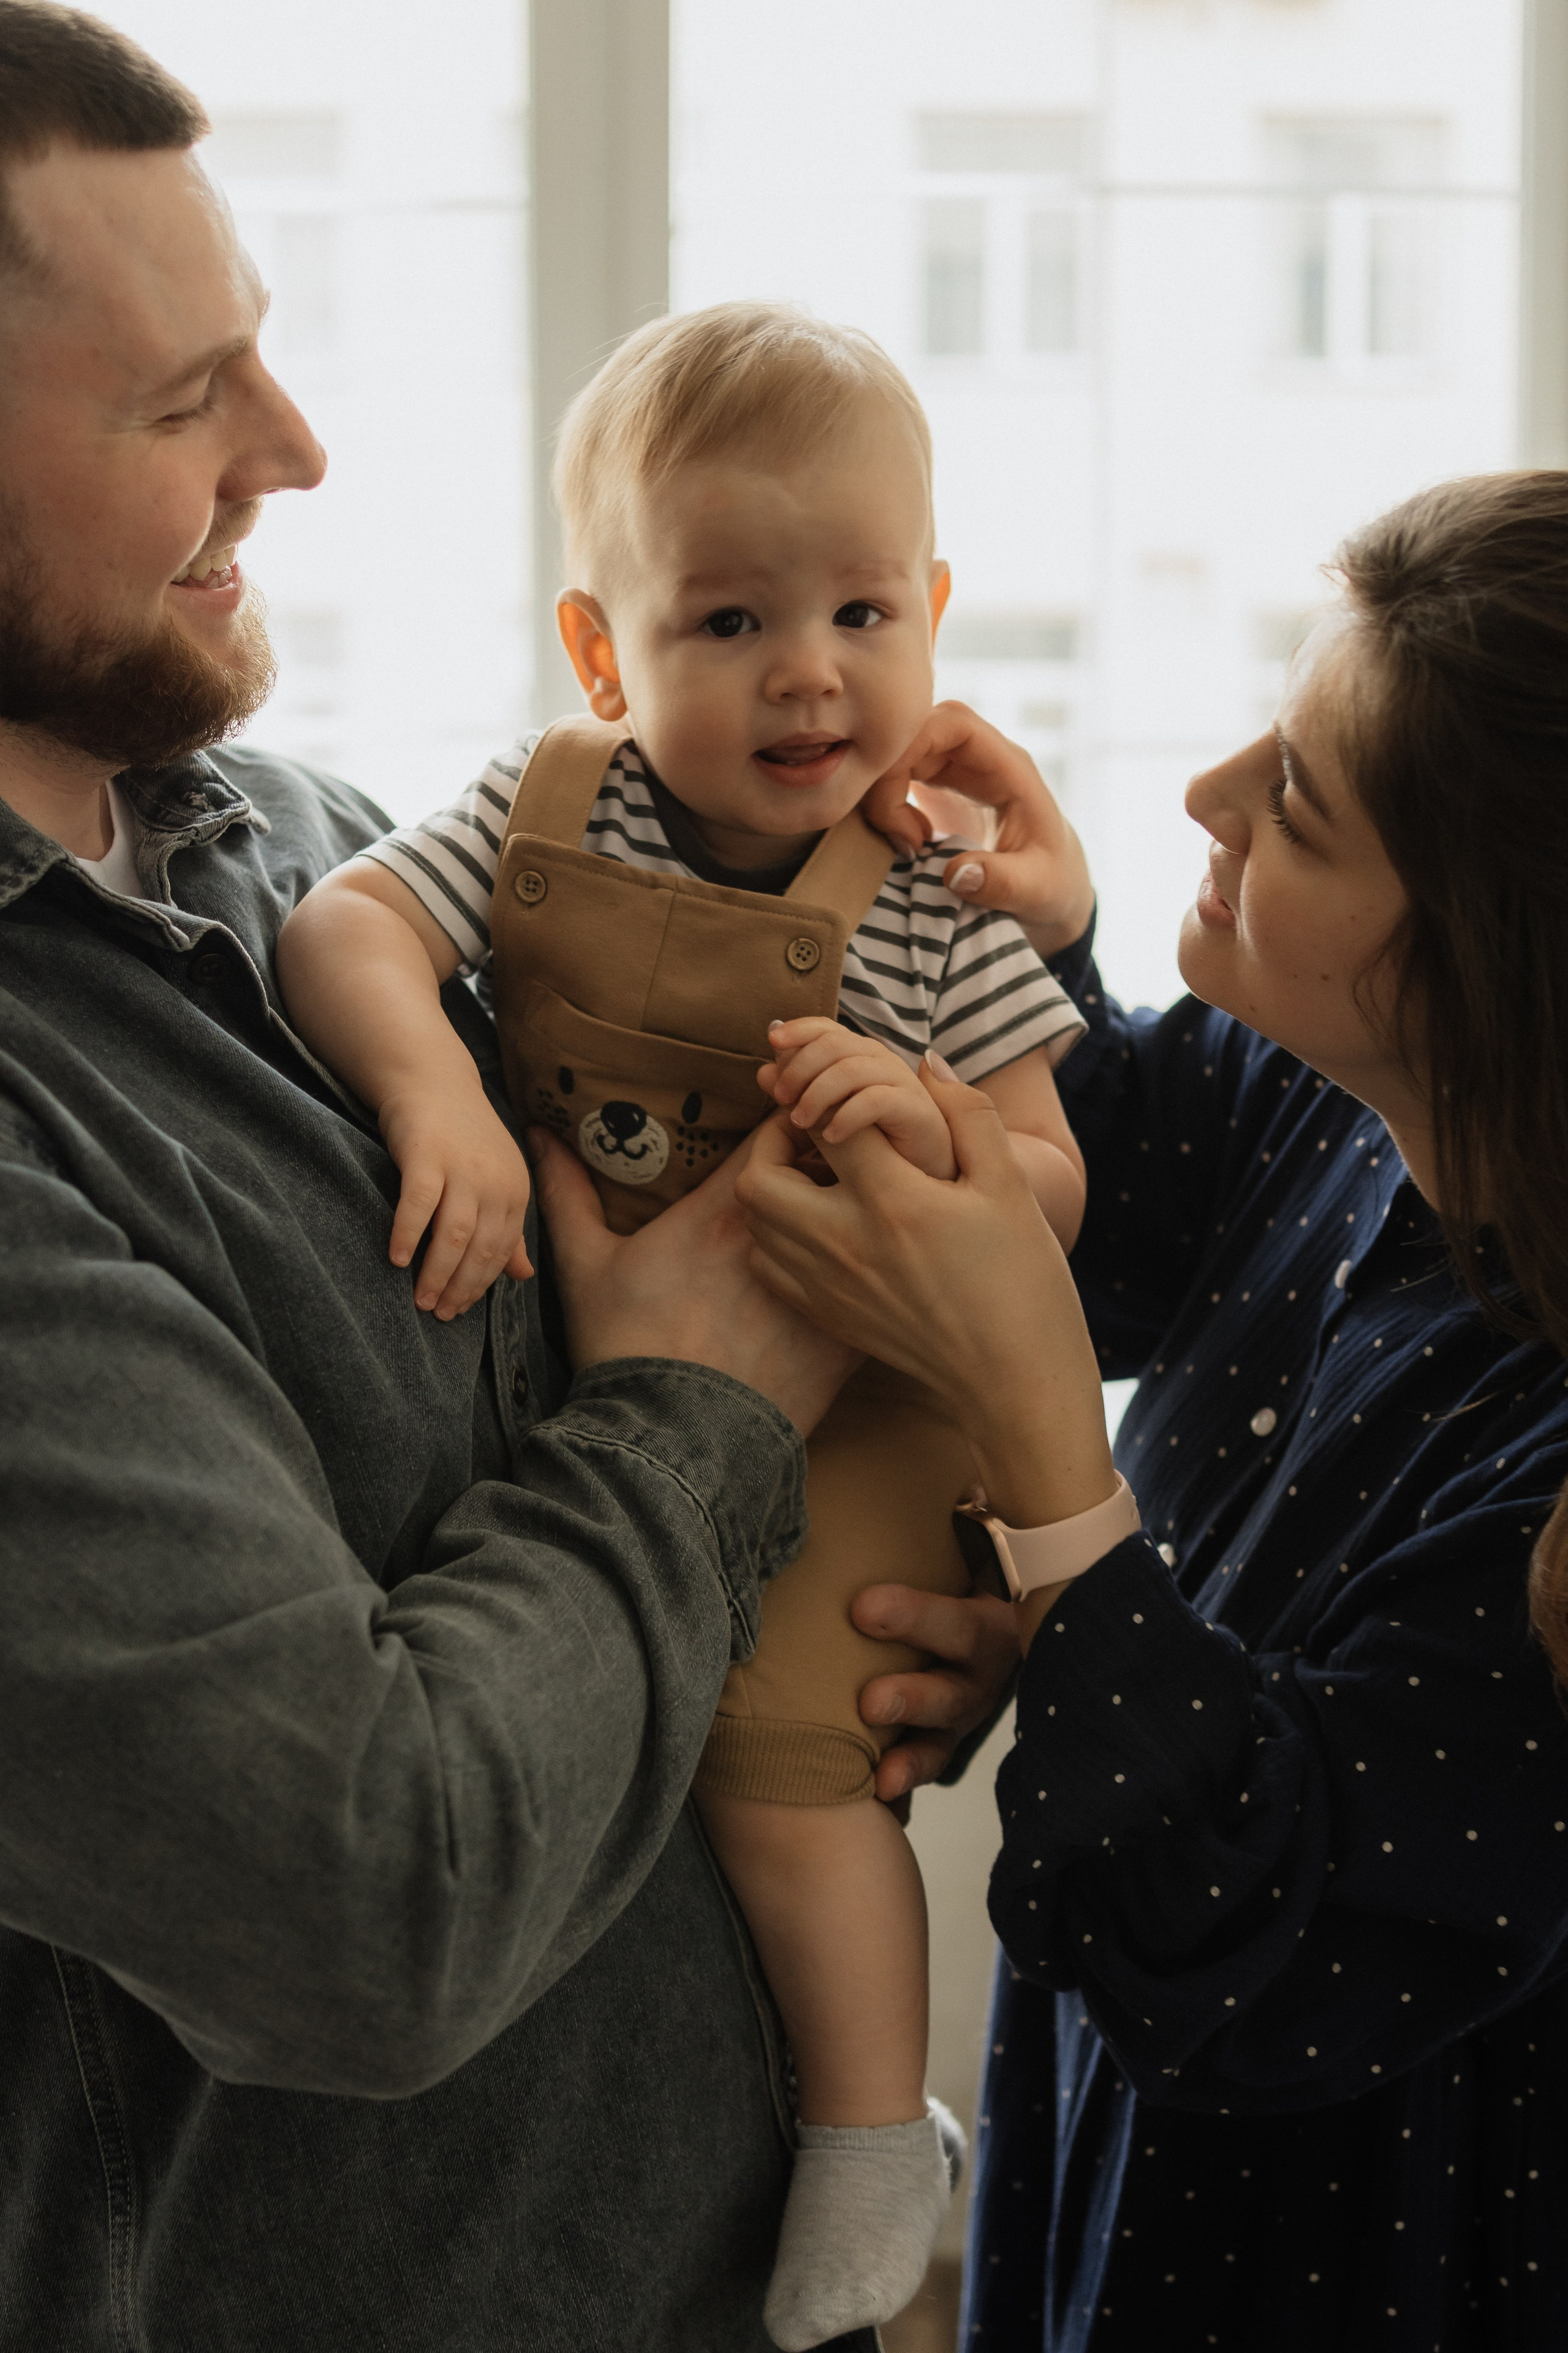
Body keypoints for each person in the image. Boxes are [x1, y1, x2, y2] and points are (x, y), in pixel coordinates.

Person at [0, 11, 1019, 2347]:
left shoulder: (322, 850)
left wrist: (850, 1628)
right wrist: (707, 1420)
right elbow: (370, 1911)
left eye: (261, 355)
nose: (301, 450)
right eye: (181, 404)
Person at [274, 300, 1088, 2347]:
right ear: (600, 650)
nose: (808, 669)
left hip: (859, 1405)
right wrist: (432, 1085)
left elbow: (1055, 1178)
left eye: (860, 609)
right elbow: (345, 922)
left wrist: (935, 1136)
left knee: (781, 1771)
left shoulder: (929, 885)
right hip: (609, 1375)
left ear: (937, 611)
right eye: (726, 622)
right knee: (578, 1741)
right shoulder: (552, 805)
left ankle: (868, 2138)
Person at [735, 472, 1568, 2349]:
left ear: (1490, 966)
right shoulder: (1333, 1106)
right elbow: (1096, 1211)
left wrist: (1051, 1481)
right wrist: (1024, 972)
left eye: (1301, 808)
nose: (1211, 791)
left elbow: (1242, 1934)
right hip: (1116, 2182)